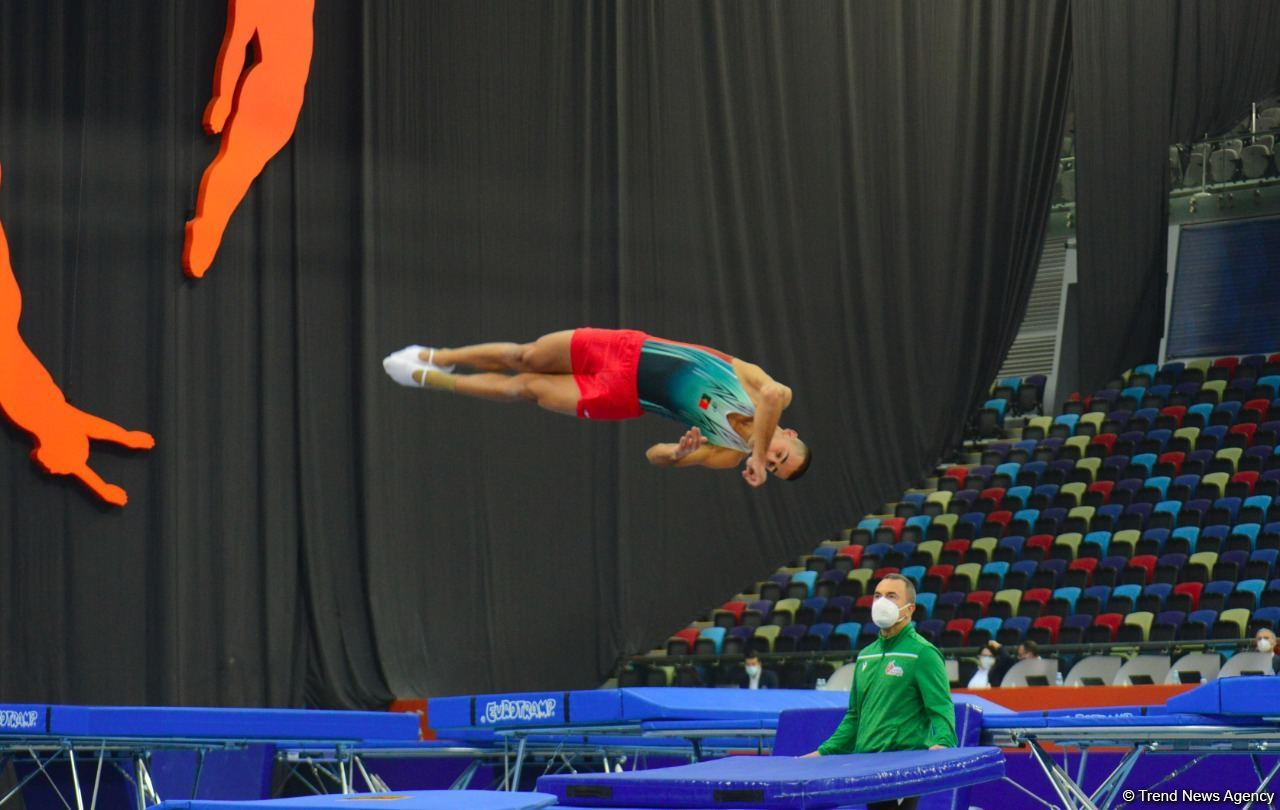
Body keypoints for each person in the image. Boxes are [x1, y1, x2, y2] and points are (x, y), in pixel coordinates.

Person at [382, 328, 810, 485]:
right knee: (525, 356)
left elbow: (655, 457)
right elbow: (773, 398)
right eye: (781, 456)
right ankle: (439, 354)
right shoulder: (770, 395)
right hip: (625, 348)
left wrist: (677, 453)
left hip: (621, 396)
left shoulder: (726, 454)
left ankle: (432, 378)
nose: (770, 460)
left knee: (526, 389)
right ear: (789, 436)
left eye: (774, 467)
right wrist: (757, 452)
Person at [185, 0, 315, 278]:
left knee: (244, 168)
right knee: (238, 166)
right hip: (268, 87)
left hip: (289, 99)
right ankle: (207, 226)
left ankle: (210, 224)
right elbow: (237, 41)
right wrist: (222, 99)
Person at [804, 573, 956, 810]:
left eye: (891, 596)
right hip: (868, 764)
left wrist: (944, 742)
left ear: (910, 609)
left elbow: (940, 706)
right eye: (877, 596)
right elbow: (855, 716)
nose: (881, 602)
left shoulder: (923, 653)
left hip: (903, 765)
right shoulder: (866, 655)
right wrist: (824, 752)